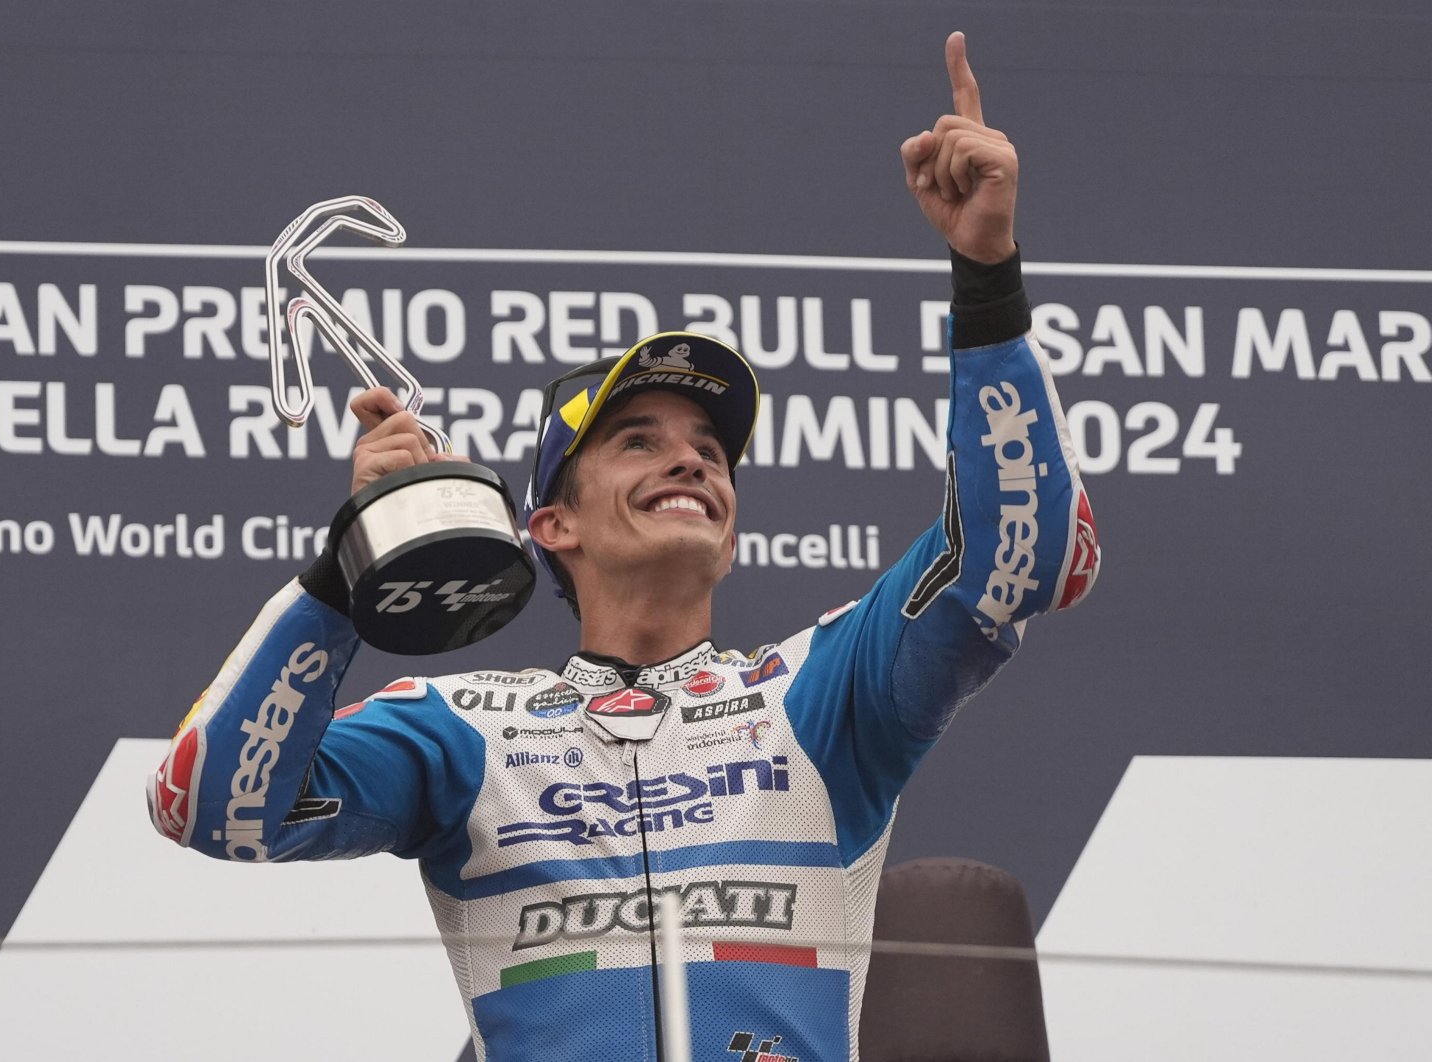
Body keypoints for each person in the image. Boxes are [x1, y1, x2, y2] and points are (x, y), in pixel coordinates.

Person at [147, 31, 1099, 1062]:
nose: (690, 463)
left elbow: (1026, 552)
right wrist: (348, 570)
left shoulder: (819, 698)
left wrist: (986, 275)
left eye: (709, 450)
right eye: (637, 441)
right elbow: (211, 808)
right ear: (550, 525)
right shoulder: (464, 733)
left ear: (730, 523)